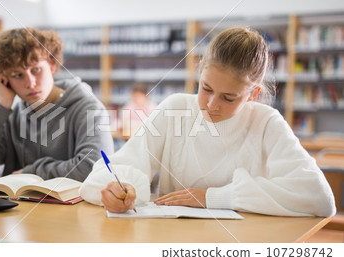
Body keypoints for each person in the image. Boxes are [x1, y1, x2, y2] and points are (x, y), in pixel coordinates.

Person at [79, 27, 336, 217]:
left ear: (253, 94)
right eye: (206, 88)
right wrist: (116, 191)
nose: (212, 105)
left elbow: (319, 198)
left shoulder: (266, 122)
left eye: (228, 97)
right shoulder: (175, 108)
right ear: (200, 69)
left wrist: (215, 197)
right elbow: (105, 174)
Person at [0, 27, 114, 181]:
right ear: (5, 80)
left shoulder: (89, 108)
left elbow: (95, 168)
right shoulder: (12, 116)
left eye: (36, 70)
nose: (30, 83)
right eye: (17, 75)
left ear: (52, 65)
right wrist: (1, 105)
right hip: (18, 207)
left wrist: (31, 173)